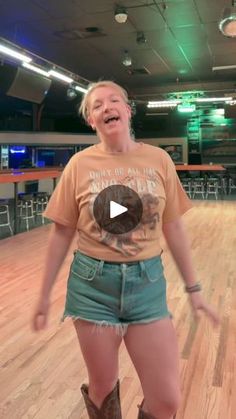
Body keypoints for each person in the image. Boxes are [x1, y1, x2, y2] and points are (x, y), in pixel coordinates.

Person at [32, 80, 219, 419]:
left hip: (147, 285)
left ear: (128, 110)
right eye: (97, 105)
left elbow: (173, 226)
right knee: (102, 392)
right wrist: (44, 295)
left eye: (114, 100)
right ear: (91, 120)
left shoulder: (158, 160)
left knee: (166, 400)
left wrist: (194, 289)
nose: (107, 107)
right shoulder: (79, 165)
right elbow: (61, 233)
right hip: (92, 286)